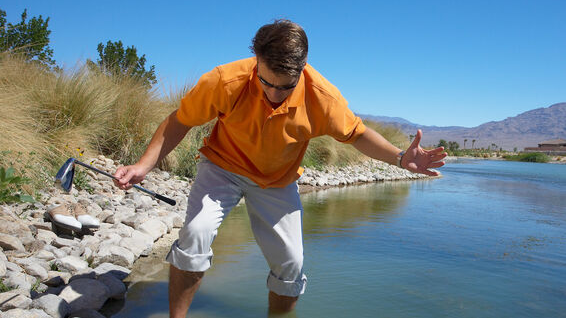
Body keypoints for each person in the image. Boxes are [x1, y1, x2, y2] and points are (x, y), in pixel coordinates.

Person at [113, 19, 447, 317]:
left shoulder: (323, 98)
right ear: (256, 60)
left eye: (285, 86)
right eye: (266, 82)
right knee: (195, 235)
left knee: (291, 264)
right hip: (222, 168)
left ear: (302, 69)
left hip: (276, 181)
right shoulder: (225, 80)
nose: (274, 94)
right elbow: (179, 121)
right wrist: (144, 165)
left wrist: (401, 158)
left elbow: (357, 134)